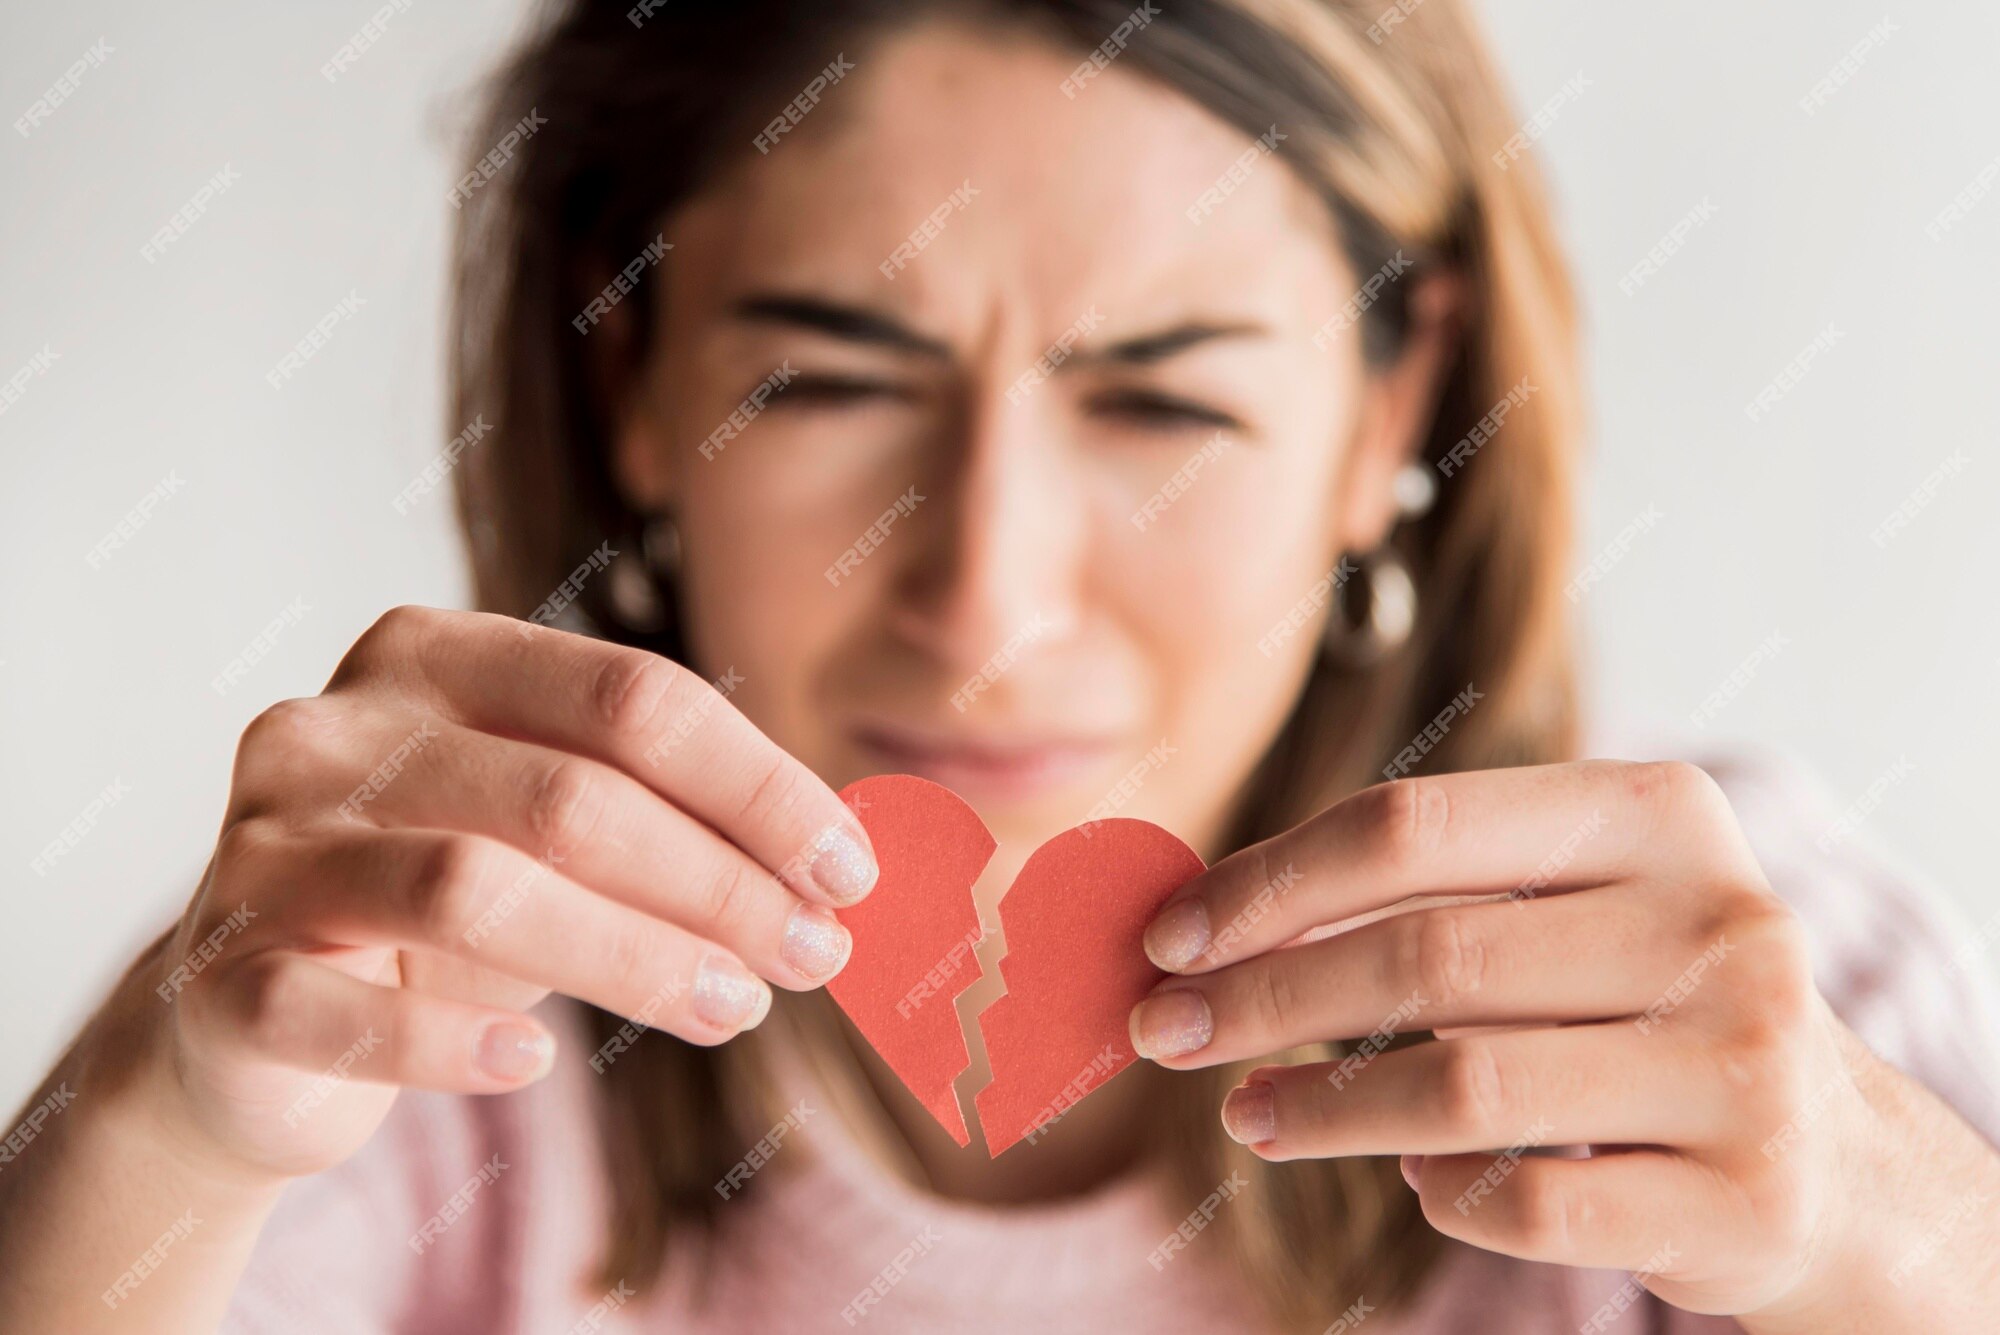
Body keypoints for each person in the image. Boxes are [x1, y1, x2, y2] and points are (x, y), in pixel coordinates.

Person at [6, 1, 1998, 1330]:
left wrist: (1906, 1240)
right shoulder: (421, 1043)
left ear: (1395, 405)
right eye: (826, 382)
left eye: (1161, 406)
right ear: (629, 379)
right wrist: (146, 1139)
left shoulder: (1760, 995)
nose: (987, 602)